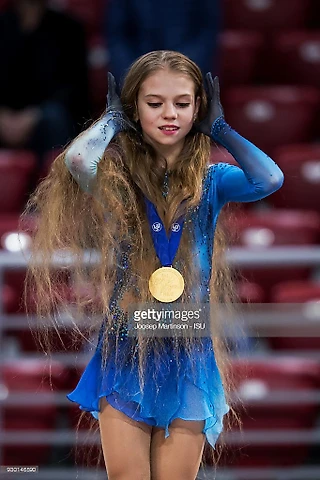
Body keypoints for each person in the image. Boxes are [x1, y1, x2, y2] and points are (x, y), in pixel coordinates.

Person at [24, 50, 284, 479]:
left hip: (188, 354)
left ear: (197, 107)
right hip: (127, 350)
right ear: (134, 108)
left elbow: (269, 178)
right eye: (154, 103)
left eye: (182, 103)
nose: (169, 114)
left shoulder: (212, 179)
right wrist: (110, 122)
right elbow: (75, 161)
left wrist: (221, 129)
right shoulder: (116, 176)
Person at [0, 0, 89, 164]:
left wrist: (33, 116)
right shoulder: (4, 25)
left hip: (46, 115)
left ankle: (57, 185)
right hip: (5, 116)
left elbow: (75, 89)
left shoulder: (69, 28)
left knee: (55, 118)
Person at [105, 0, 222, 86]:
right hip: (138, 72)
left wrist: (181, 71)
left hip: (188, 72)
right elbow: (117, 36)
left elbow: (206, 32)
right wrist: (134, 75)